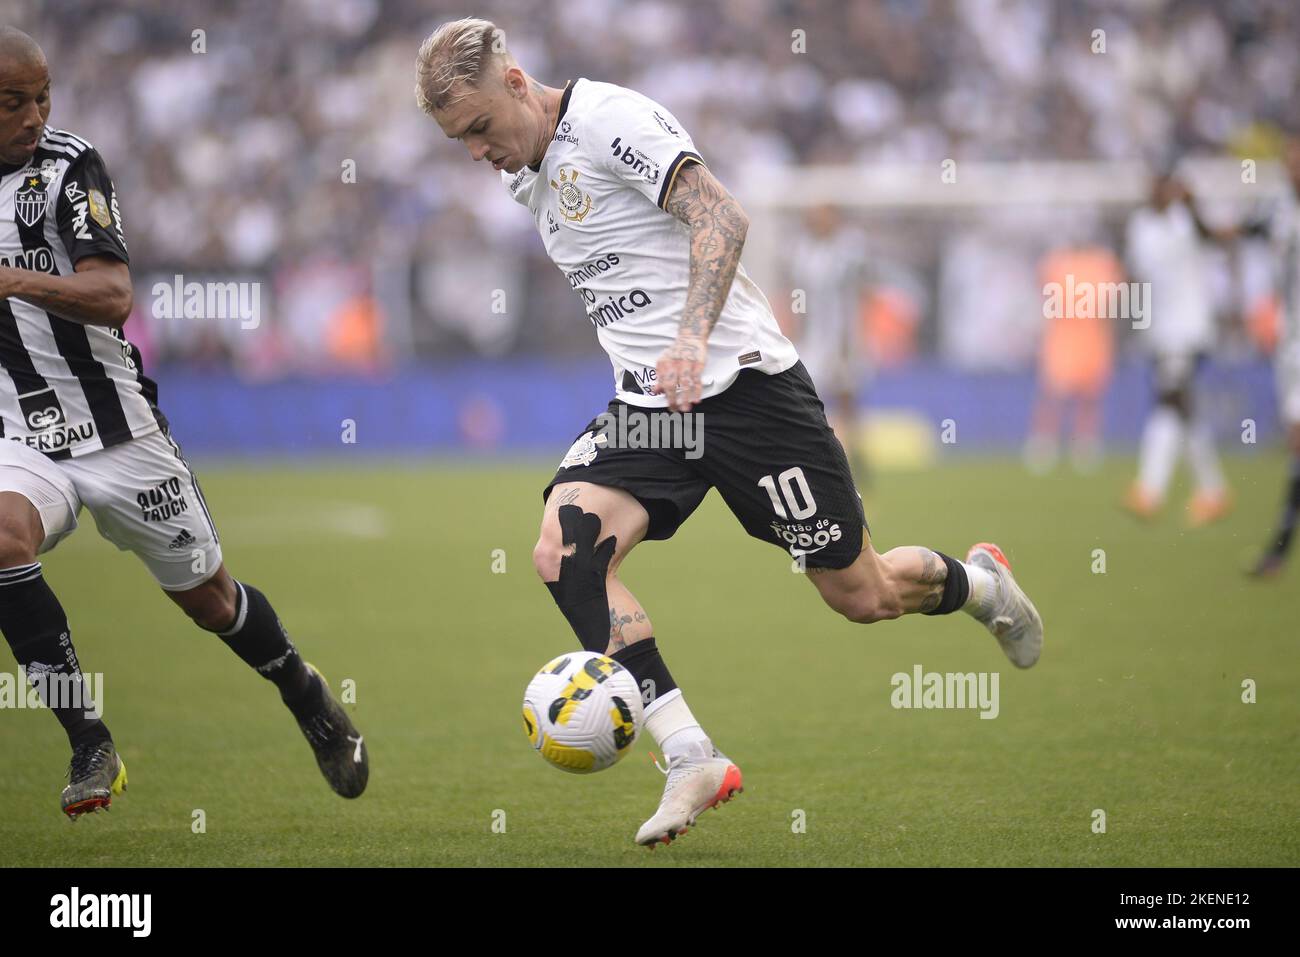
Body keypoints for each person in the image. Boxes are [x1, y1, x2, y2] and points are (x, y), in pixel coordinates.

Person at [416, 17, 1043, 848]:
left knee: (864, 594)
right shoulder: (524, 171)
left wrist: (689, 337)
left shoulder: (612, 121)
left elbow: (721, 215)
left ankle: (982, 584)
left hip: (746, 390)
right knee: (565, 552)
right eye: (460, 140)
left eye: (481, 128)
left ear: (518, 83)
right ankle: (690, 754)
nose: (476, 152)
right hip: (651, 411)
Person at [0, 28, 368, 818]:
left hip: (118, 430)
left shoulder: (68, 168)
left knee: (210, 600)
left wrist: (9, 280)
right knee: (1, 540)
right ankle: (88, 739)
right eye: (12, 102)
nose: (33, 116)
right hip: (21, 434)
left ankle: (302, 689)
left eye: (42, 98)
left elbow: (112, 295)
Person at [1122, 171, 1230, 525]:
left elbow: (1210, 238)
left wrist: (1194, 203)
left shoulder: (1185, 220)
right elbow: (1135, 276)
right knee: (1179, 406)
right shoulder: (1140, 225)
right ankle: (1211, 491)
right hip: (1160, 331)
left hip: (1189, 328)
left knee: (1172, 399)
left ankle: (1152, 490)